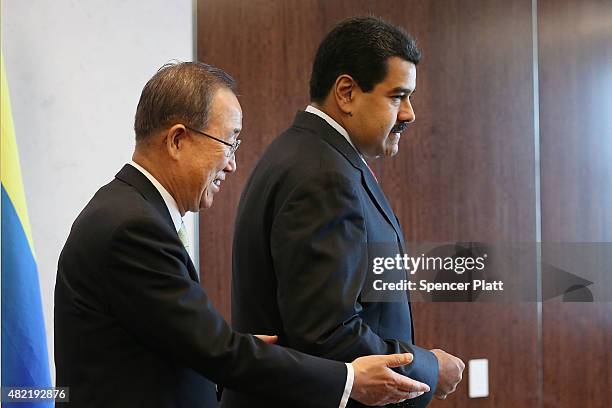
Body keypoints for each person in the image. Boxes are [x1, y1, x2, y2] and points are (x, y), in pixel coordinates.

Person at [54, 62, 433, 407]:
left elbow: (181, 341)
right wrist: (349, 379)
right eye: (229, 142)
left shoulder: (131, 209)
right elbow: (216, 351)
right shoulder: (133, 228)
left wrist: (242, 349)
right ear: (177, 140)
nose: (233, 164)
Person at [224, 17, 465, 408]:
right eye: (397, 96)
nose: (409, 114)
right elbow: (329, 337)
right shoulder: (323, 177)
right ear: (347, 92)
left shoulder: (305, 154)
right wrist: (428, 370)